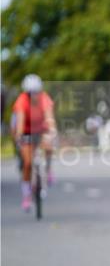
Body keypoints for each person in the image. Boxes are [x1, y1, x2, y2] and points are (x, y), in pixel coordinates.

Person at [12, 74, 57, 212]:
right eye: (30, 93)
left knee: (49, 146)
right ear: (26, 93)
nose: (34, 96)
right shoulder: (21, 101)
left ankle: (48, 170)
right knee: (28, 163)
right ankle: (26, 194)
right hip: (26, 131)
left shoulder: (45, 98)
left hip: (41, 129)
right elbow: (20, 123)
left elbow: (49, 117)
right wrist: (19, 137)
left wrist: (52, 131)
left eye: (36, 92)